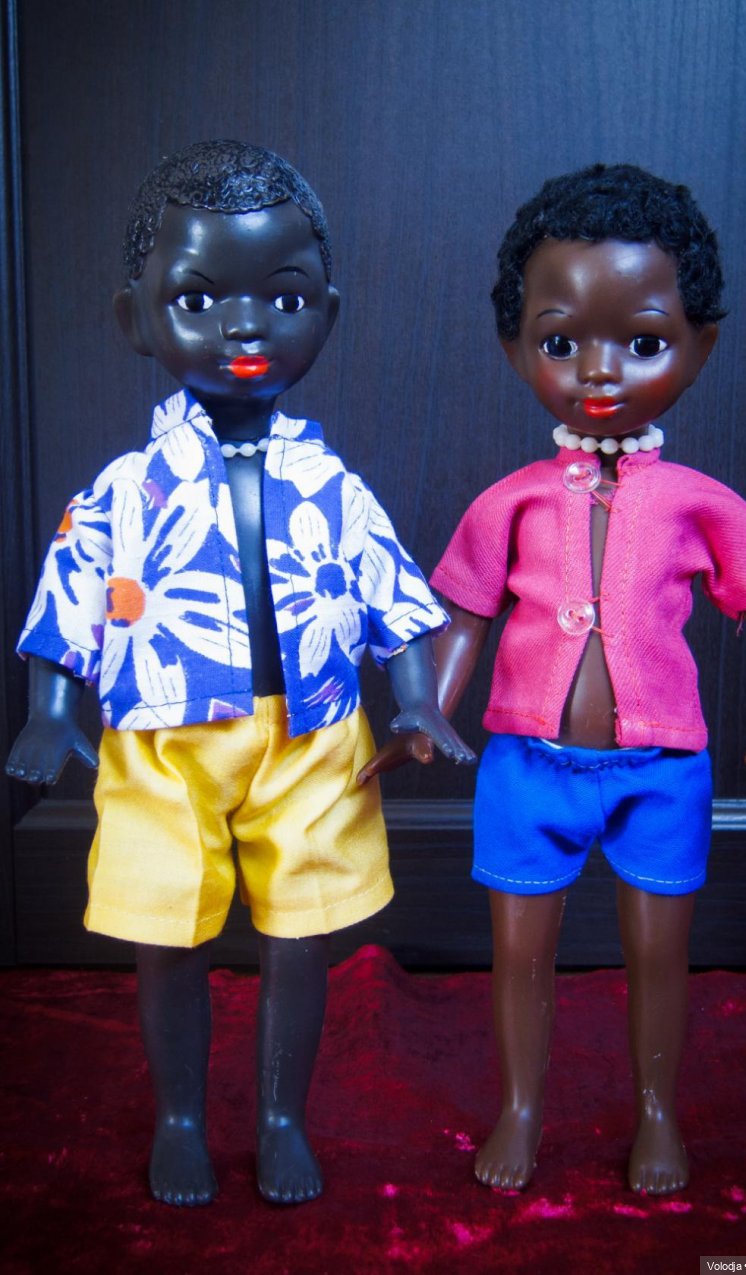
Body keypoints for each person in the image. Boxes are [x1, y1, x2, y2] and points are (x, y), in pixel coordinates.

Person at [6, 140, 473, 1207]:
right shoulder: (124, 489)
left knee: (299, 934)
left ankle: (278, 1117)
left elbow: (389, 591)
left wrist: (415, 703)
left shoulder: (334, 485)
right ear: (135, 318)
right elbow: (71, 591)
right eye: (198, 300)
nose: (245, 327)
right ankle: (179, 1117)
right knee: (167, 931)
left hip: (312, 737)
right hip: (162, 742)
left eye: (284, 299)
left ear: (326, 316)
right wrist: (50, 707)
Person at [359, 163, 746, 1196]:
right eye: (561, 342)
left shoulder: (702, 503)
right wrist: (425, 711)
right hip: (528, 766)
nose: (599, 372)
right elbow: (461, 616)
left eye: (645, 342)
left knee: (658, 954)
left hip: (660, 770)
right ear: (514, 346)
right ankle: (521, 1109)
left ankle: (657, 1112)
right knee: (519, 954)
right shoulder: (510, 503)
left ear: (700, 346)